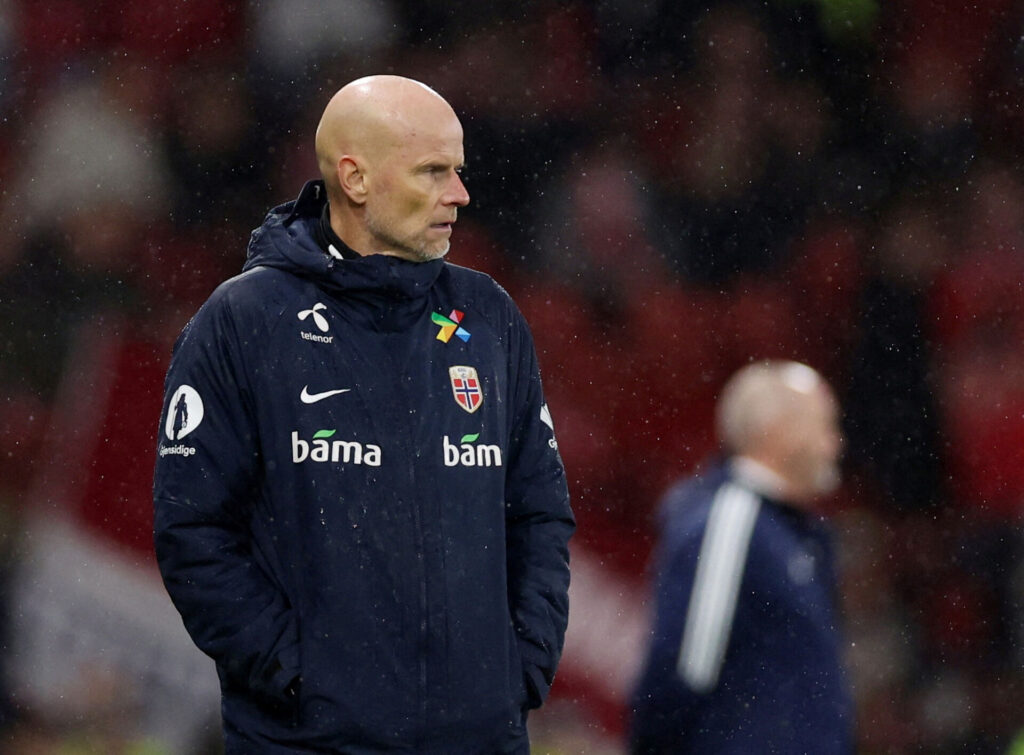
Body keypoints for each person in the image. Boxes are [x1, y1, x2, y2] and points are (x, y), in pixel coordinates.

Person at [152, 75, 575, 754]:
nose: (460, 194)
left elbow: (539, 514)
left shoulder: (489, 317)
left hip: (479, 736)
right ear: (355, 178)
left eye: (458, 170)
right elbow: (194, 531)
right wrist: (299, 678)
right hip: (310, 741)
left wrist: (518, 666)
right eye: (433, 171)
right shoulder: (244, 321)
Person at [628, 360, 854, 754]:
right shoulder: (732, 520)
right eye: (824, 426)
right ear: (778, 430)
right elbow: (683, 672)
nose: (835, 444)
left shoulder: (795, 533)